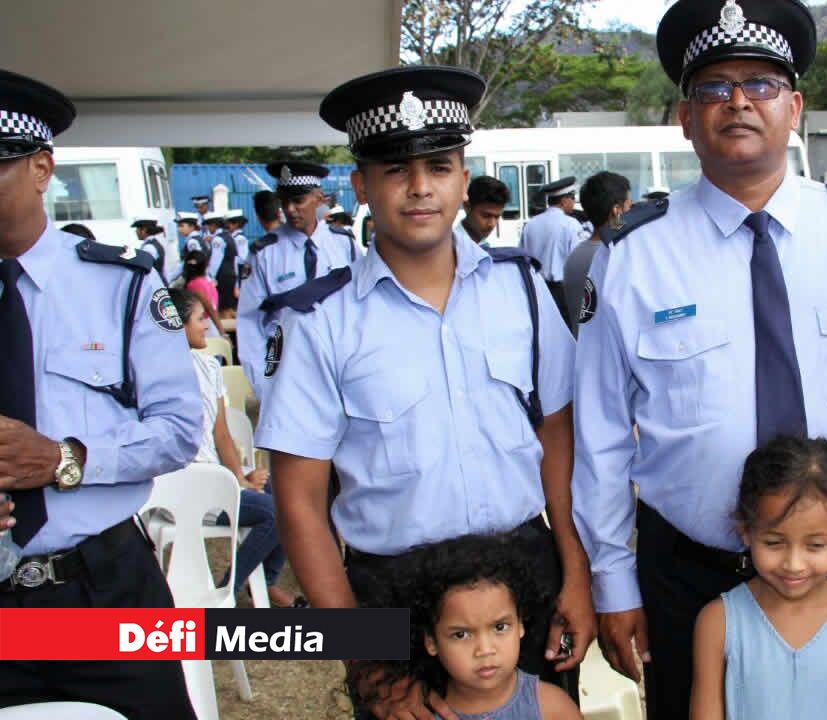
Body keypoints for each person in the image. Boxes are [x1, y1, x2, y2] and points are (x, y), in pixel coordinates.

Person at [572, 2, 827, 717]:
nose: (736, 102)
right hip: (686, 574)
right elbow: (600, 434)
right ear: (684, 118)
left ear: (795, 106)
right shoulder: (632, 255)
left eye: (759, 84)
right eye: (711, 88)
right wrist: (613, 582)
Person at [258, 65, 593, 719]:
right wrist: (364, 657)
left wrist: (575, 576)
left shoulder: (521, 290)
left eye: (439, 166)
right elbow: (298, 500)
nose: (419, 188)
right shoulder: (321, 321)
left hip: (523, 574)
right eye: (393, 170)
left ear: (462, 180)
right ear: (360, 185)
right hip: (393, 597)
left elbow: (559, 441)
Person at [0, 68, 200, 717]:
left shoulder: (127, 287)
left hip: (101, 588)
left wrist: (65, 458)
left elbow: (178, 430)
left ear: (41, 168)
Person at [690, 436, 827, 720]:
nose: (794, 565)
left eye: (815, 545)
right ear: (746, 530)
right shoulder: (718, 622)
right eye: (774, 543)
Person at [350, 533, 582, 720]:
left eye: (500, 627)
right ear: (431, 641)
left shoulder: (553, 709)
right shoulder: (415, 714)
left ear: (520, 624)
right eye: (461, 634)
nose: (484, 649)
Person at [168, 288, 298, 608]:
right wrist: (236, 483)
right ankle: (230, 589)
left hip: (215, 481)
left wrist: (239, 477)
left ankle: (262, 586)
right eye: (200, 319)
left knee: (289, 499)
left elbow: (221, 434)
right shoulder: (156, 375)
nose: (208, 327)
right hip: (182, 488)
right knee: (278, 513)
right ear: (177, 325)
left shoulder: (209, 367)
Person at [236, 159, 356, 394]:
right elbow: (250, 322)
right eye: (284, 201)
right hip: (286, 372)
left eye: (298, 200)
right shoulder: (265, 253)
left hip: (338, 367)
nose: (290, 209)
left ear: (318, 198)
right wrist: (264, 385)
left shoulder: (344, 244)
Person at [562, 171, 630, 338]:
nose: (632, 213)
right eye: (629, 206)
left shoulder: (575, 256)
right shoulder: (617, 255)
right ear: (617, 211)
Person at [519, 175, 580, 318]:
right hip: (562, 293)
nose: (574, 202)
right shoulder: (571, 224)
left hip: (537, 291)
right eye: (573, 198)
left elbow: (523, 257)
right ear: (564, 200)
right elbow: (578, 261)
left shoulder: (530, 224)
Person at [456, 175, 511, 249]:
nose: (492, 224)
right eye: (486, 216)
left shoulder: (494, 245)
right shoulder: (447, 248)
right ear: (467, 207)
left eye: (497, 217)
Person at [132, 218, 167, 283]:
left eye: (137, 229)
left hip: (155, 283)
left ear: (144, 230)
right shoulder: (154, 243)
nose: (136, 232)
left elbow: (145, 267)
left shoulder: (149, 247)